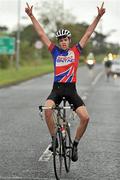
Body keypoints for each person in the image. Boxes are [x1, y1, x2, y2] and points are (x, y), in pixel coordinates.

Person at [25, 2, 105, 162]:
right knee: (47, 110)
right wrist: (31, 16)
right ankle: (54, 139)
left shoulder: (76, 51)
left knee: (85, 118)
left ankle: (74, 145)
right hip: (56, 89)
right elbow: (41, 34)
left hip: (71, 91)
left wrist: (98, 17)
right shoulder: (54, 51)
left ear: (69, 40)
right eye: (60, 39)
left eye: (65, 39)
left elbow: (88, 33)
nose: (62, 42)